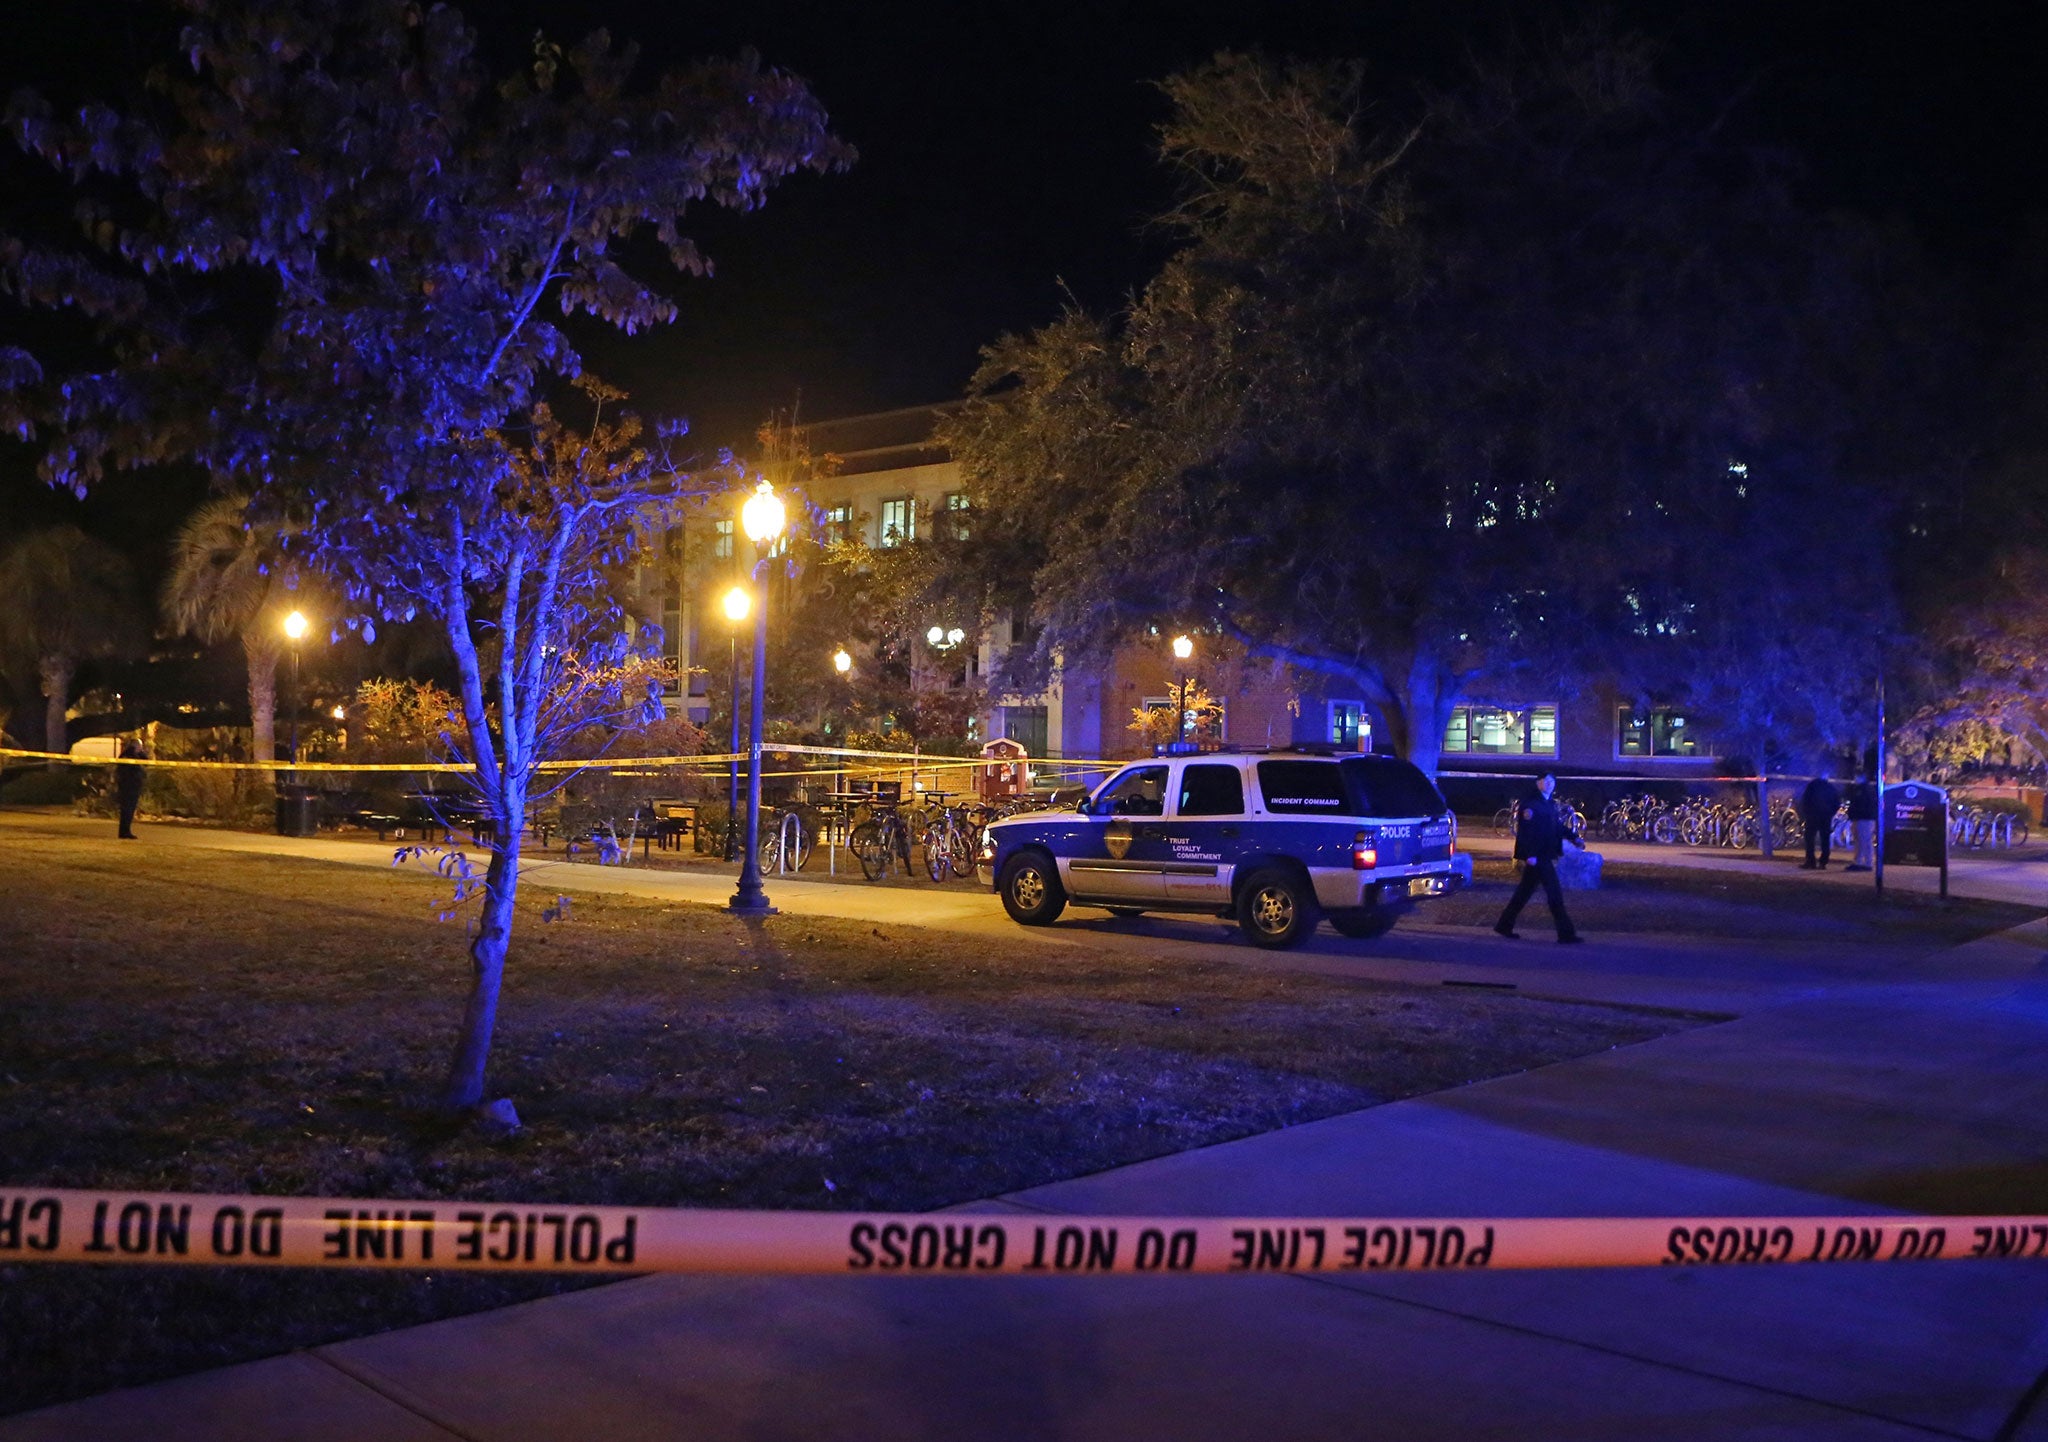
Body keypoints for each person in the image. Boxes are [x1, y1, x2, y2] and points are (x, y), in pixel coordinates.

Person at [1494, 772, 1585, 944]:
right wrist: (1530, 855)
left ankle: (1504, 925)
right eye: (1546, 781)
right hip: (1538, 857)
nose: (1550, 784)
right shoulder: (1530, 805)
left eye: (1552, 781)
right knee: (1554, 894)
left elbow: (1556, 827)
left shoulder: (1549, 803)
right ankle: (1566, 933)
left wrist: (1574, 837)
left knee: (1523, 893)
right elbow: (1526, 832)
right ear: (1538, 784)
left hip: (1544, 855)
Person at [1799, 771, 1841, 870]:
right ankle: (1823, 862)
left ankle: (1810, 861)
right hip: (1825, 817)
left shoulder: (1812, 786)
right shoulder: (1830, 787)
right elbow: (1836, 803)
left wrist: (1806, 813)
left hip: (1812, 816)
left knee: (1810, 839)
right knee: (1825, 839)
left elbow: (1805, 800)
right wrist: (1830, 813)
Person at [114, 736, 147, 840]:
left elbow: (146, 761)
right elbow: (133, 769)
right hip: (129, 786)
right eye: (139, 746)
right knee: (127, 810)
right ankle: (124, 831)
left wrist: (140, 752)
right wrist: (137, 751)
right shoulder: (129, 755)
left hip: (132, 786)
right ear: (135, 746)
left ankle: (125, 831)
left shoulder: (131, 754)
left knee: (128, 810)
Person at [1844, 774, 1877, 872]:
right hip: (1863, 817)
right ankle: (1860, 862)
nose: (1855, 779)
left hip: (1864, 818)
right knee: (1861, 840)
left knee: (1864, 840)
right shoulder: (1864, 789)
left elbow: (1859, 804)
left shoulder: (1863, 790)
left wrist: (1853, 814)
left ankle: (1867, 863)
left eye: (1857, 777)